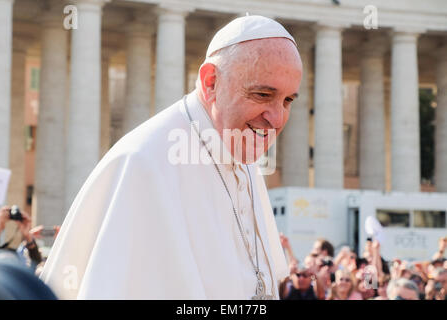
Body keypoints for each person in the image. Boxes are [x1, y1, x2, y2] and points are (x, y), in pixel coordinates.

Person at [40, 15, 303, 299]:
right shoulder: (143, 164)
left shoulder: (243, 156)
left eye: (288, 101)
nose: (276, 119)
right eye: (263, 94)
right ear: (211, 82)